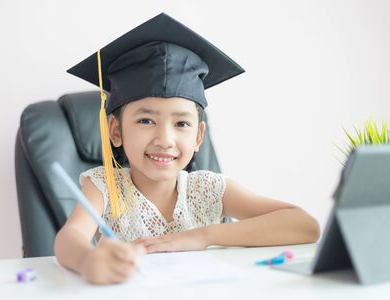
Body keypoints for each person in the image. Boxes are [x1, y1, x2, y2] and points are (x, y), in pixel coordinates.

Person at [54, 13, 320, 284]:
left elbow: (305, 225)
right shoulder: (104, 187)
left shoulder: (208, 189)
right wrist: (88, 260)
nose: (165, 139)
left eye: (181, 123)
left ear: (198, 136)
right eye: (146, 120)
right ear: (116, 131)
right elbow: (68, 239)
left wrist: (203, 236)